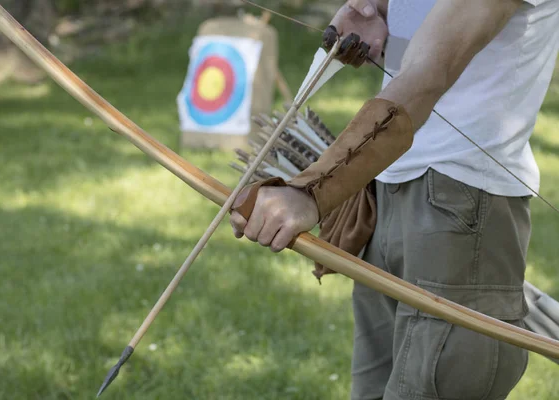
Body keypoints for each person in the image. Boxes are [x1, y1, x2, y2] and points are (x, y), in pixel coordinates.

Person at [230, 0, 559, 399]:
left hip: (462, 206)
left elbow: (429, 72)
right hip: (388, 188)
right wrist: (380, 10)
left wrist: (311, 191)